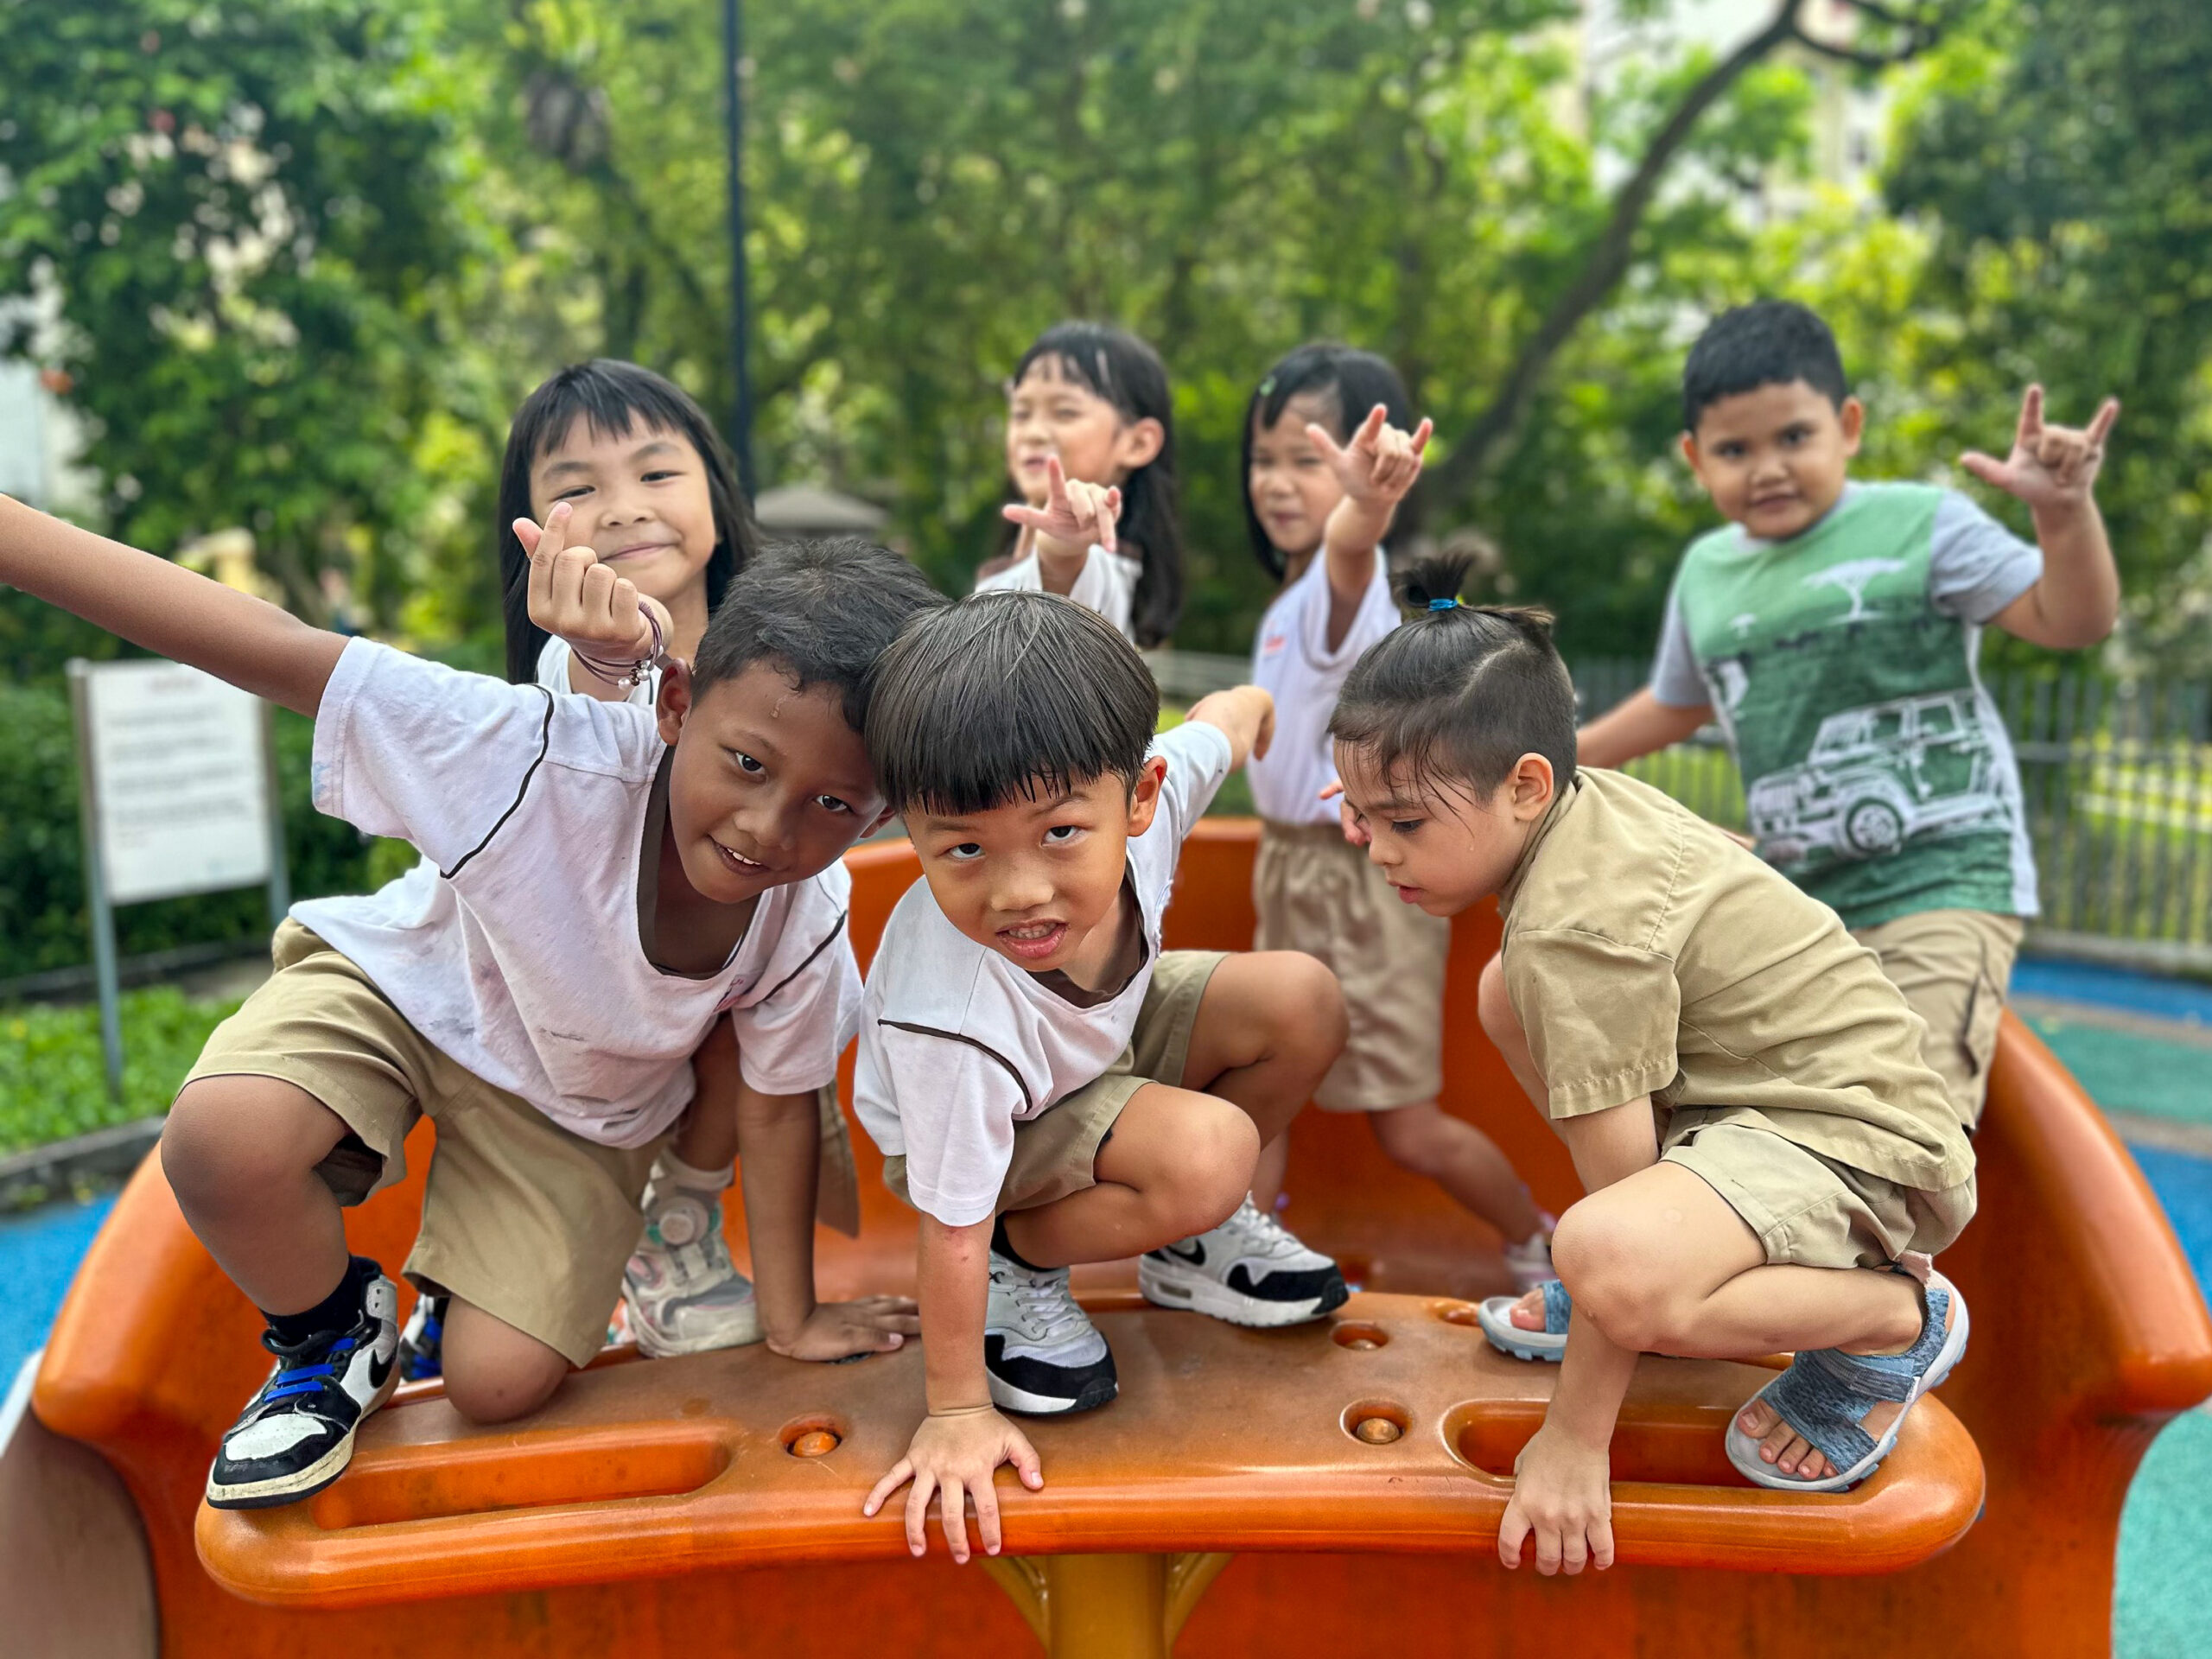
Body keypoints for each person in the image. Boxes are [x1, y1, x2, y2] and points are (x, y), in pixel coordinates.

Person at [0, 490, 938, 1510]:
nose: (768, 824)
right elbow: (275, 647)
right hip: (412, 991)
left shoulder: (809, 913)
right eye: (746, 764)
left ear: (879, 812)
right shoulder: (539, 757)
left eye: (833, 805)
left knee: (497, 1388)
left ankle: (454, 1310)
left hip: (574, 1104)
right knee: (226, 1138)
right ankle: (328, 1336)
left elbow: (775, 1101)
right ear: (674, 707)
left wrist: (794, 1318)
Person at [1329, 552, 1972, 1576]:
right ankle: (1659, 1271)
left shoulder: (1576, 935)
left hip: (1858, 1146)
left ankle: (1895, 1319)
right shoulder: (1582, 809)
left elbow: (1617, 1206)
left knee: (1614, 1261)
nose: (1376, 849)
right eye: (1363, 818)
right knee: (1503, 995)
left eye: (1402, 823)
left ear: (1525, 785)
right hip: (1782, 1107)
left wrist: (1575, 1439)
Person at [852, 563, 1350, 1565]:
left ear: (1139, 798)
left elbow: (1229, 714)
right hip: (976, 1149)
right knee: (1211, 1156)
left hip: (1089, 1056)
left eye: (1060, 834)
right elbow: (943, 1224)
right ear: (910, 829)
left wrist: (1271, 712)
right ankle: (1024, 1259)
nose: (1020, 891)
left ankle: (1179, 1250)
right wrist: (951, 1412)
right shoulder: (949, 1013)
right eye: (962, 852)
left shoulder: (1152, 805)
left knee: (1302, 999)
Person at [1579, 300, 2121, 1130]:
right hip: (1799, 895)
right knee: (1755, 1094)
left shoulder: (1921, 525)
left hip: (1941, 879)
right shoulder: (1708, 572)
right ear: (1696, 459)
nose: (1767, 467)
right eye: (1734, 449)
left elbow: (2071, 620)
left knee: (1904, 1116)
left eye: (1794, 437)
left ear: (1849, 426)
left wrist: (2061, 513)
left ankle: (1904, 1261)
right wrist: (1551, 757)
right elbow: (1679, 705)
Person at [439, 359, 856, 1370]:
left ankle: (680, 1225)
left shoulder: (801, 650)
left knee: (771, 978)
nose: (622, 509)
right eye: (576, 489)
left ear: (716, 492)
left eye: (657, 474)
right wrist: (604, 651)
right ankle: (453, 1282)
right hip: (569, 1046)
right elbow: (593, 696)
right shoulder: (574, 675)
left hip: (725, 1025)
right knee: (496, 1376)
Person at [1240, 343, 1553, 1289]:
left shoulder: (1350, 592)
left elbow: (1348, 550)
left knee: (1407, 1125)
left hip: (1356, 884)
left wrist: (1363, 508)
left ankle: (1535, 1241)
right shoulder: (1290, 602)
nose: (1278, 482)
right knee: (1257, 1093)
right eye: (1264, 458)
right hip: (1286, 866)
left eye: (1308, 460)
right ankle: (1238, 1255)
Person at [976, 320, 1184, 647]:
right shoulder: (1009, 564)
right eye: (1021, 413)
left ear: (1138, 443)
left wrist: (1064, 550)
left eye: (1064, 412)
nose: (1033, 432)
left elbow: (1066, 574)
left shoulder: (1098, 570)